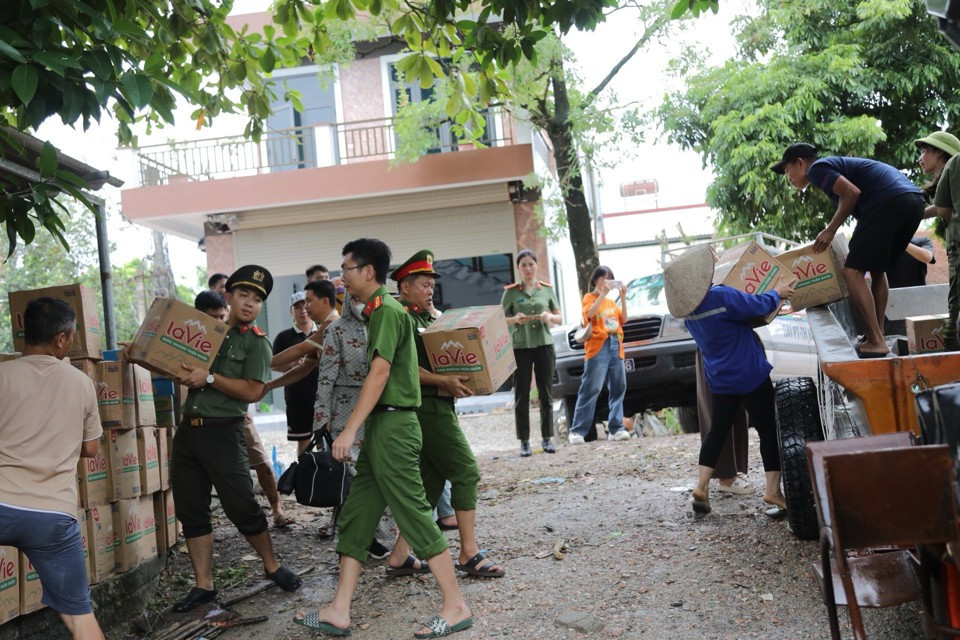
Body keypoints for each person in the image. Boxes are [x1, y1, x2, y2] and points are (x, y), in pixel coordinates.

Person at [293, 239, 472, 639]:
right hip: (380, 425)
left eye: (347, 268)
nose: (342, 276)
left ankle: (456, 605)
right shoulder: (379, 313)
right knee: (357, 515)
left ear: (368, 271)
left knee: (410, 510)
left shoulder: (388, 312)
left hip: (393, 426)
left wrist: (349, 430)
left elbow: (379, 373)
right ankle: (339, 609)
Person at [165, 266, 301, 612]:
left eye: (257, 299)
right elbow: (176, 362)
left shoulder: (256, 342)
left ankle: (272, 566)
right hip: (188, 433)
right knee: (191, 509)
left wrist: (209, 378)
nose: (250, 304)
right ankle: (203, 585)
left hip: (223, 432)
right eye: (244, 295)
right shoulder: (205, 334)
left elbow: (255, 390)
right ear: (229, 297)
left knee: (241, 503)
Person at [388, 250, 504, 578]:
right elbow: (404, 368)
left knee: (429, 483)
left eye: (431, 285)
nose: (430, 290)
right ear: (404, 286)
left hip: (439, 405)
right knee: (466, 470)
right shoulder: (401, 318)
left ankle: (399, 555)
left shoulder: (428, 318)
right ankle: (469, 552)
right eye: (423, 285)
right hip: (426, 408)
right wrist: (444, 380)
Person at [663, 245, 795, 517]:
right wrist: (777, 293)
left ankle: (701, 487)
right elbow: (756, 305)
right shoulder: (721, 296)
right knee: (768, 428)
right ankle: (773, 491)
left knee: (717, 431)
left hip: (721, 378)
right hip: (750, 373)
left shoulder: (690, 314)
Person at [0, 298, 105, 640]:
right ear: (61, 338)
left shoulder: (2, 375)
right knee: (79, 616)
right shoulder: (81, 384)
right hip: (52, 516)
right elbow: (91, 449)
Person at [265, 292, 397, 558]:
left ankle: (373, 535)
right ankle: (359, 537)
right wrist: (321, 420)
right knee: (352, 475)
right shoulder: (335, 330)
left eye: (309, 301)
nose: (305, 307)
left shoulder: (384, 324)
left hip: (380, 409)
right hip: (344, 413)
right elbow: (321, 376)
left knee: (381, 472)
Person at [772, 142, 924, 358]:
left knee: (851, 272)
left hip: (888, 202)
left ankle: (877, 341)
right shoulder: (835, 166)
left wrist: (830, 230)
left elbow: (851, 193)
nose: (788, 178)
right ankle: (877, 334)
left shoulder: (817, 169)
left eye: (788, 171)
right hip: (913, 201)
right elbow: (858, 203)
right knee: (878, 270)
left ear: (800, 162)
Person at [194, 290, 292, 528]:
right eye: (212, 317)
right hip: (199, 416)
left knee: (260, 461)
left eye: (221, 316)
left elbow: (262, 369)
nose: (219, 322)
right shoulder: (191, 338)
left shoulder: (240, 337)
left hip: (236, 414)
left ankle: (276, 508)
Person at [501, 250, 562, 457]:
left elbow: (559, 317)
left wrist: (549, 317)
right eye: (523, 265)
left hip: (544, 344)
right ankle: (524, 441)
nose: (528, 269)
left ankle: (547, 438)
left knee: (546, 392)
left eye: (531, 264)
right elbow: (500, 318)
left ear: (537, 266)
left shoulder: (546, 290)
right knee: (521, 394)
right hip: (521, 346)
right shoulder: (511, 292)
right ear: (518, 268)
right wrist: (514, 320)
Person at [568, 266, 630, 444]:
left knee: (619, 386)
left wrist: (623, 297)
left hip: (615, 344)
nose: (606, 281)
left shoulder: (612, 303)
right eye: (603, 278)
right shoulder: (589, 297)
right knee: (591, 387)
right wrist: (602, 294)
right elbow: (588, 314)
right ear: (595, 280)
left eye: (610, 278)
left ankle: (616, 428)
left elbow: (623, 319)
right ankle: (577, 431)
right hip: (598, 346)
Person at [694, 350, 754, 496]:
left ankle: (734, 470)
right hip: (715, 344)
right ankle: (725, 477)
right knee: (719, 415)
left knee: (737, 408)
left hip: (732, 345)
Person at [920, 131, 960, 350]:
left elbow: (944, 210)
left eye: (925, 151)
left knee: (954, 315)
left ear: (940, 152)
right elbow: (940, 208)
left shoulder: (955, 165)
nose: (921, 157)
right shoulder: (948, 174)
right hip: (955, 250)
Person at [271, 291, 320, 453]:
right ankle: (305, 475)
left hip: (324, 395)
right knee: (304, 441)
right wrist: (291, 364)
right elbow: (273, 365)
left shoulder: (323, 332)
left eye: (306, 305)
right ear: (290, 311)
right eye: (297, 307)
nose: (302, 310)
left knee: (326, 437)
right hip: (297, 397)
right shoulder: (283, 337)